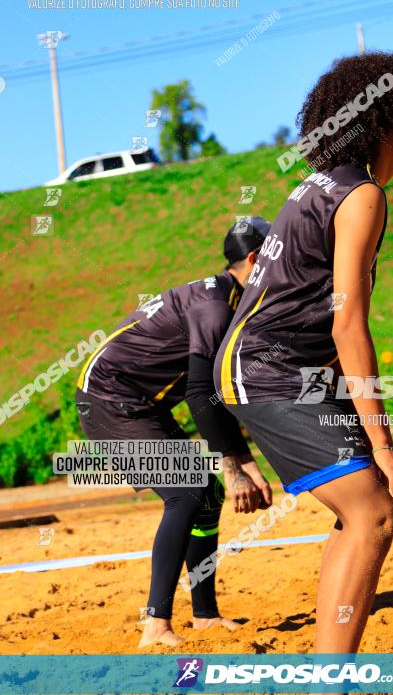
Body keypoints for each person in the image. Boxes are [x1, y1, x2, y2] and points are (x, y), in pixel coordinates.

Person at [214, 52, 393, 653]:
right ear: (383, 121)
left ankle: (325, 673)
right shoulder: (359, 195)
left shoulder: (328, 186)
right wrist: (381, 442)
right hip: (267, 368)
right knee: (375, 514)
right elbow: (347, 325)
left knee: (360, 511)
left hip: (272, 366)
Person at [75, 217, 273, 648]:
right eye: (276, 254)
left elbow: (216, 394)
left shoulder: (229, 297)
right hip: (110, 400)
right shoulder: (216, 307)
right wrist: (237, 466)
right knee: (185, 492)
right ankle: (155, 624)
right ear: (256, 259)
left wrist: (243, 460)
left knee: (205, 494)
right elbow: (202, 394)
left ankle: (203, 615)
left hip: (140, 401)